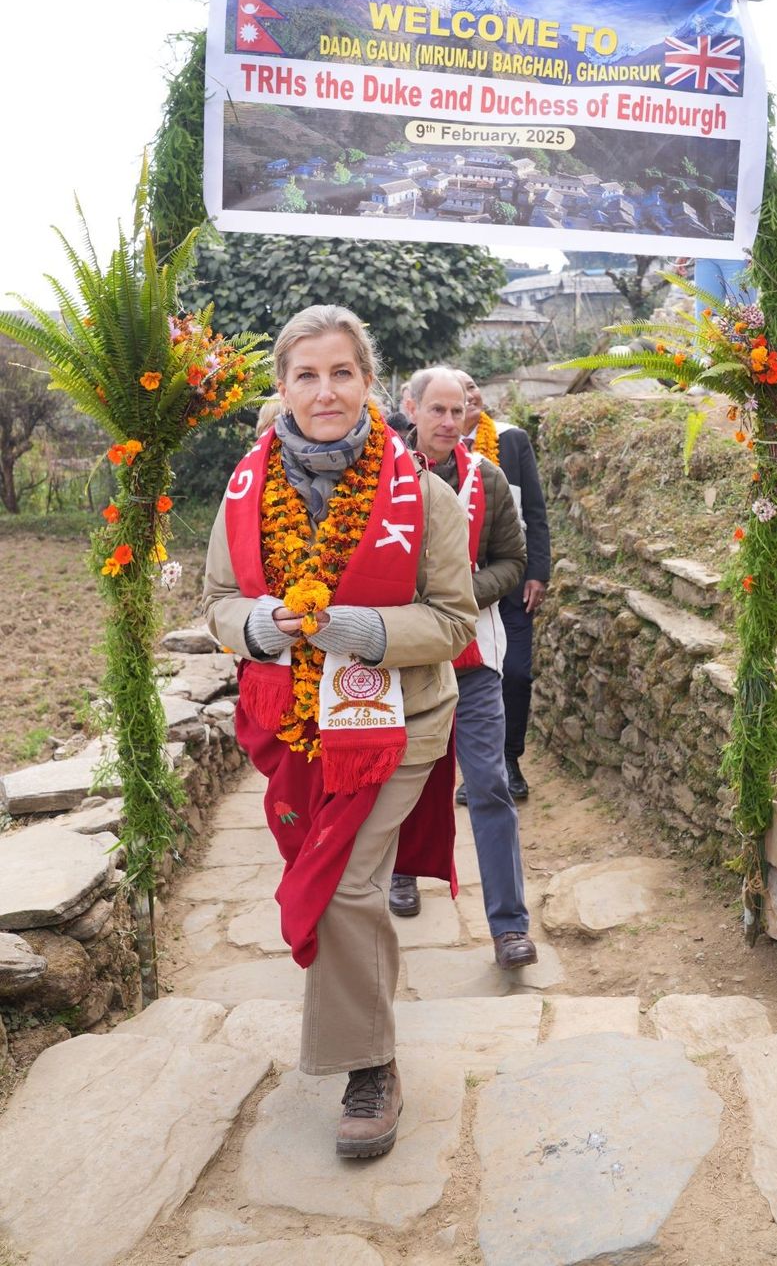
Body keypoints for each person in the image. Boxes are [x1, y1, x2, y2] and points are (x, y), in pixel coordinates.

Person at [202, 306, 477, 1161]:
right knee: (325, 873)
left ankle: (371, 1068)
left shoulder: (421, 493)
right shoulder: (245, 490)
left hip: (399, 726)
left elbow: (455, 620)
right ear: (283, 385)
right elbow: (216, 603)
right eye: (307, 375)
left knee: (350, 881)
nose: (325, 391)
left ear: (370, 383)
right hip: (291, 725)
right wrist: (261, 626)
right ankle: (363, 1037)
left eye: (343, 373)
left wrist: (366, 630)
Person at [388, 366, 537, 971]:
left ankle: (509, 927)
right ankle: (400, 871)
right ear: (412, 408)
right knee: (398, 776)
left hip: (474, 659)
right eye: (439, 411)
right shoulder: (378, 479)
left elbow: (513, 559)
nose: (450, 423)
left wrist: (460, 596)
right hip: (400, 660)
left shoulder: (489, 478)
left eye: (461, 411)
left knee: (489, 782)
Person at [455, 369, 550, 801]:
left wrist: (538, 572)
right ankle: (471, 770)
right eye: (460, 391)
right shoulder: (429, 449)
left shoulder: (511, 441)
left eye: (473, 386)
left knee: (514, 674)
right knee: (459, 682)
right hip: (454, 590)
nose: (470, 394)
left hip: (510, 583)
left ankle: (510, 759)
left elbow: (534, 507)